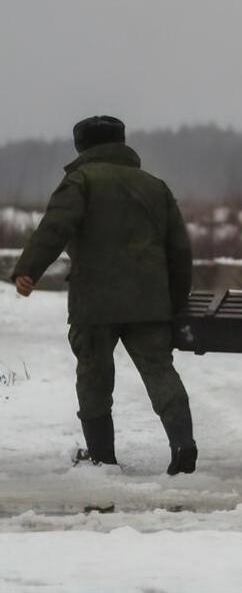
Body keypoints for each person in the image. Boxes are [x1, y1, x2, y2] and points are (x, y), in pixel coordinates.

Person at [12, 116, 197, 475]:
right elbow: (179, 250)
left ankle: (102, 457)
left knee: (94, 376)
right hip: (149, 301)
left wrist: (28, 269)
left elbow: (55, 227)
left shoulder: (80, 181)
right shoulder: (154, 186)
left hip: (94, 301)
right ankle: (183, 444)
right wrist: (174, 301)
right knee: (160, 371)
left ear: (82, 146)